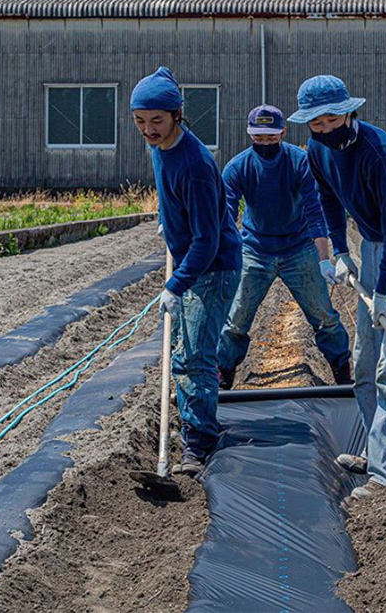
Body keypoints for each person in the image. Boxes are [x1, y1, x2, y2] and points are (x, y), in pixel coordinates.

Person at [288, 75, 386, 499]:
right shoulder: (317, 149)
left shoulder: (379, 153)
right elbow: (329, 200)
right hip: (373, 247)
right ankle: (377, 453)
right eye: (314, 124)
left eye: (330, 120)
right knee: (363, 360)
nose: (324, 130)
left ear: (349, 112)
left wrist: (385, 292)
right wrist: (339, 251)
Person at [130, 67, 242, 476]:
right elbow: (166, 192)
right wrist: (166, 219)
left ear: (177, 114)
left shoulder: (194, 164)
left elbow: (208, 240)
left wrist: (176, 285)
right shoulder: (160, 149)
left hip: (213, 268)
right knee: (182, 352)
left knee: (194, 356)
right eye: (140, 121)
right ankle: (193, 430)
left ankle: (198, 445)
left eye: (156, 121)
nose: (148, 130)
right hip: (195, 264)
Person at [217, 104, 352, 389]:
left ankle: (342, 373)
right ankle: (223, 375)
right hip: (255, 249)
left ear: (283, 133)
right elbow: (226, 216)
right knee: (236, 320)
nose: (265, 143)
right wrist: (220, 257)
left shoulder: (299, 162)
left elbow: (316, 212)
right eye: (259, 138)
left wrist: (324, 259)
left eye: (271, 137)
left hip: (298, 249)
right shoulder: (238, 167)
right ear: (249, 134)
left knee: (324, 317)